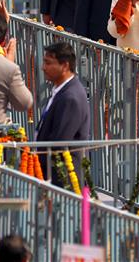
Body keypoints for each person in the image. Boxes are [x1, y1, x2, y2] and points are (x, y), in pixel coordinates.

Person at [35, 42, 90, 182]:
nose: (43, 68)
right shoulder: (63, 90)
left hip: (63, 178)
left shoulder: (71, 98)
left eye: (48, 63)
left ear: (65, 66)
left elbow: (59, 141)